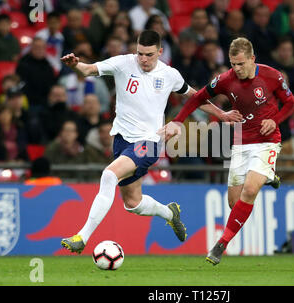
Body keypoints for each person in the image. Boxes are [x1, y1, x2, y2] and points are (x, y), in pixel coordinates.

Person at [59, 30, 242, 253]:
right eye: (140, 54)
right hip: (122, 141)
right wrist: (75, 65)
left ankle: (82, 237)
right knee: (132, 203)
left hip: (150, 141)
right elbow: (88, 69)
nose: (143, 59)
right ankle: (170, 213)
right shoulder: (123, 63)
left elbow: (195, 97)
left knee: (108, 175)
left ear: (160, 52)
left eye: (149, 55)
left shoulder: (170, 74)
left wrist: (221, 114)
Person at [159, 37, 294, 265]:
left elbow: (292, 104)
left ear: (252, 59)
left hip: (267, 141)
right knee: (235, 203)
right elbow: (197, 98)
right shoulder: (225, 80)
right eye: (233, 64)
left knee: (250, 191)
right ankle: (268, 176)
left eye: (241, 64)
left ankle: (221, 244)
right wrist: (177, 121)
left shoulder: (272, 76)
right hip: (241, 143)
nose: (237, 69)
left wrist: (275, 120)